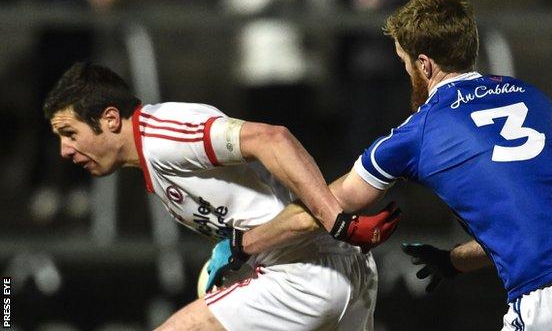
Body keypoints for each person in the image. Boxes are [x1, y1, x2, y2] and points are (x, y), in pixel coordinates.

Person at [239, 0, 552, 330]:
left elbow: (324, 208)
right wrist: (454, 261)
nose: (407, 71)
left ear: (424, 65)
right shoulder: (531, 96)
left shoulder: (417, 133)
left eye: (405, 62)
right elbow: (532, 216)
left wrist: (246, 242)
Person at [43, 62, 400, 330]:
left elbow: (271, 138)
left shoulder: (163, 135)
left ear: (109, 119)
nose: (64, 150)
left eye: (69, 132)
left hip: (303, 272)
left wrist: (335, 220)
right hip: (345, 270)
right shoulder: (153, 154)